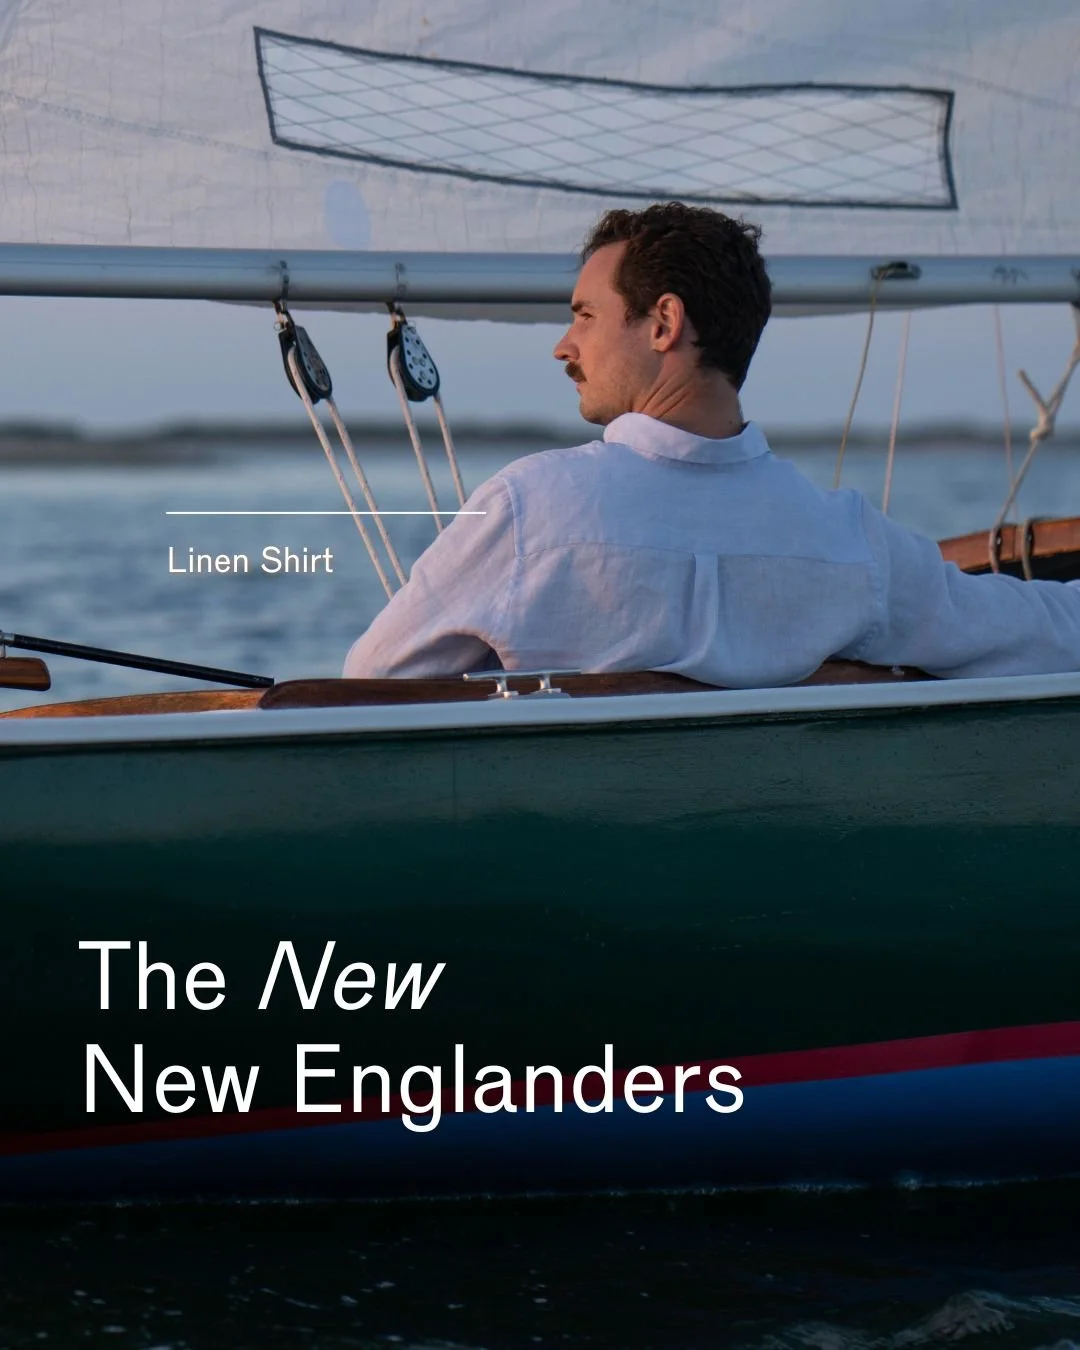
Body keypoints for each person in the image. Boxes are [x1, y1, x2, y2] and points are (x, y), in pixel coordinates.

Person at [343, 202, 1080, 686]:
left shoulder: (528, 513)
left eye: (585, 317)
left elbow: (363, 689)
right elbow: (1046, 633)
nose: (564, 347)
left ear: (663, 324)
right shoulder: (852, 544)